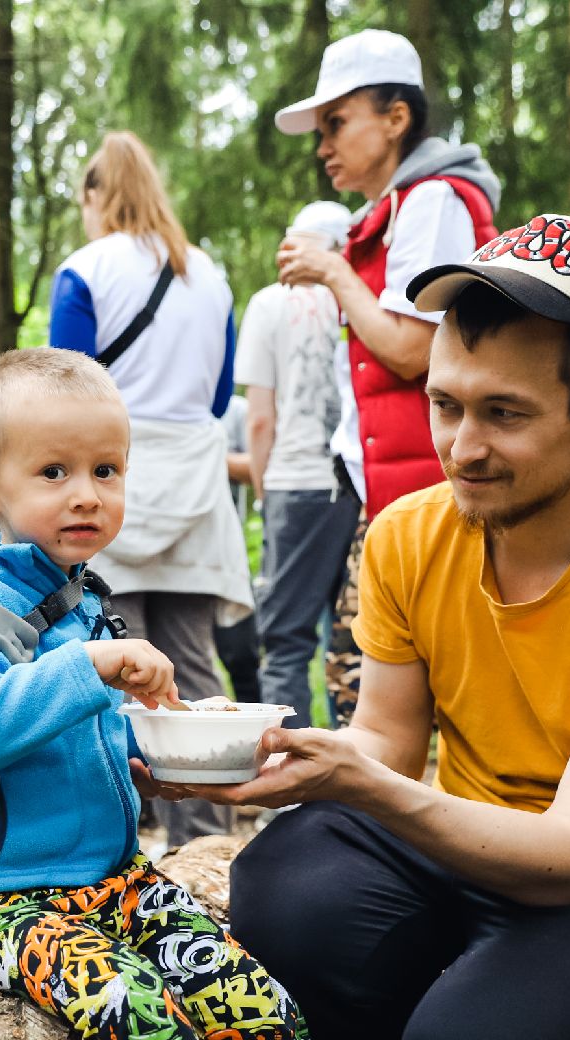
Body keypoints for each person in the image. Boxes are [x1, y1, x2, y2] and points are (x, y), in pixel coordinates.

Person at [174, 218, 570, 1040]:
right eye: (446, 404)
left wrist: (360, 780)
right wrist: (273, 751)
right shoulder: (407, 536)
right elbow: (387, 746)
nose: (462, 449)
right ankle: (529, 1021)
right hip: (470, 846)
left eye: (504, 414)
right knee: (280, 892)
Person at [0, 347, 317, 1040]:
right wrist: (90, 667)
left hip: (113, 882)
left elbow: (83, 729)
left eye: (106, 470)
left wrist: (178, 730)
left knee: (256, 1003)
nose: (86, 495)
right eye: (53, 472)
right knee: (141, 1021)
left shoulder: (81, 598)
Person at [272, 29, 501, 723]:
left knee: (374, 699)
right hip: (393, 495)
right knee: (361, 688)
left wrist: (333, 271)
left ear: (396, 118)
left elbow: (413, 349)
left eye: (337, 122)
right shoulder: (397, 209)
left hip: (427, 496)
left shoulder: (431, 202)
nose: (323, 145)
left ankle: (389, 828)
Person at [49, 131, 253, 847]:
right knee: (192, 661)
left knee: (110, 659)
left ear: (95, 197)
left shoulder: (86, 270)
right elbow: (222, 392)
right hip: (196, 479)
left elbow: (62, 389)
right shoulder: (211, 276)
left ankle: (114, 845)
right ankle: (212, 845)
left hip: (114, 476)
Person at [238, 201, 355, 728]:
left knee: (285, 641)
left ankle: (290, 784)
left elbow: (260, 418)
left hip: (295, 482)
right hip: (358, 481)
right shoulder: (358, 300)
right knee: (352, 637)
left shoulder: (269, 304)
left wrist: (264, 489)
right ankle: (362, 776)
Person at [214, 393, 261, 705]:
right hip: (164, 559)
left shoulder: (234, 410)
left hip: (225, 552)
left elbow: (260, 466)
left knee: (241, 655)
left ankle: (258, 733)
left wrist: (208, 454)